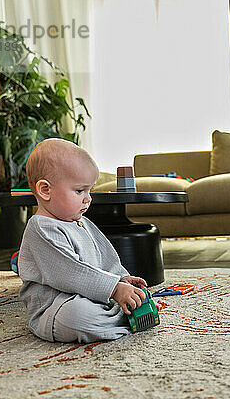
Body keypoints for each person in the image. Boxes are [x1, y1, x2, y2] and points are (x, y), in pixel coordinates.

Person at [17, 138, 148, 343]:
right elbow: (71, 272)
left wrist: (121, 279)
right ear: (45, 190)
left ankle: (123, 312)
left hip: (92, 293)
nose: (88, 198)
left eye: (89, 190)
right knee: (78, 316)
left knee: (125, 296)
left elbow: (106, 258)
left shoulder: (82, 222)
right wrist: (114, 289)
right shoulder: (41, 228)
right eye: (79, 191)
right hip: (56, 306)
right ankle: (125, 319)